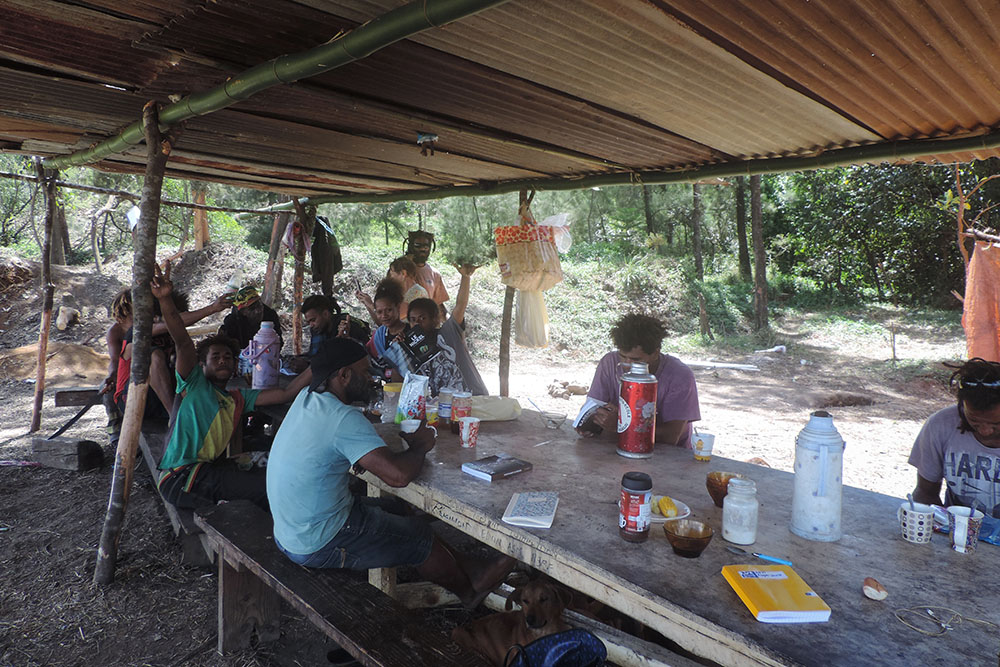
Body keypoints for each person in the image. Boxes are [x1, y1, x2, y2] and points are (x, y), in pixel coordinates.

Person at [266, 337, 514, 606]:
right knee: (419, 538)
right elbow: (398, 476)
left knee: (398, 510)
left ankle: (471, 568)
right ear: (344, 375)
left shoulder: (307, 397)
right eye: (364, 372)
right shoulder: (342, 418)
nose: (371, 378)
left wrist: (356, 454)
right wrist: (420, 446)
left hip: (292, 530)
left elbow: (325, 446)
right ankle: (469, 592)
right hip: (317, 541)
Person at [151, 262, 311, 511]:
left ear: (236, 365)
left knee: (276, 464)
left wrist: (318, 366)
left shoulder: (236, 398)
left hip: (205, 471)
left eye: (228, 357)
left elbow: (286, 393)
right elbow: (181, 339)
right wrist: (165, 299)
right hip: (182, 477)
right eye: (215, 357)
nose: (223, 360)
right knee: (270, 486)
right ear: (201, 365)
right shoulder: (193, 385)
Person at [575, 314, 700, 447]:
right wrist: (589, 423)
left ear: (655, 353)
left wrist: (622, 426)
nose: (627, 364)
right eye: (622, 356)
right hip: (618, 447)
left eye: (636, 360)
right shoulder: (610, 362)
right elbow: (593, 407)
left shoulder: (679, 375)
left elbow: (671, 437)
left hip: (667, 454)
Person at [909, 358, 1000, 517]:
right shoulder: (941, 425)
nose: (985, 431)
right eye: (974, 421)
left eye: (996, 424)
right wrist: (942, 524)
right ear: (962, 405)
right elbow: (925, 492)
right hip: (957, 528)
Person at [405, 265, 488, 396]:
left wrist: (465, 277)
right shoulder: (412, 347)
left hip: (473, 398)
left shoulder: (448, 332)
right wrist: (400, 347)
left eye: (422, 318)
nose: (417, 323)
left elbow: (460, 305)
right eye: (413, 320)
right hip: (441, 404)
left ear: (434, 319)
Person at [357, 278, 409, 378]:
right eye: (379, 312)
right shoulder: (380, 335)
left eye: (389, 310)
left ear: (398, 307)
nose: (384, 315)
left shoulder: (411, 331)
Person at [302, 294, 370, 354]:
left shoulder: (347, 326)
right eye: (308, 322)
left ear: (325, 314)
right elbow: (317, 355)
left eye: (313, 320)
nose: (311, 325)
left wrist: (343, 339)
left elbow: (365, 354)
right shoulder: (318, 329)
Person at [220, 285, 283, 351]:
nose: (258, 310)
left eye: (259, 305)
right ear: (243, 312)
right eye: (252, 308)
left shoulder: (270, 315)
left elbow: (278, 342)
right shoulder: (232, 322)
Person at [406, 230, 448, 305]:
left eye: (425, 246)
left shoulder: (434, 274)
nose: (422, 249)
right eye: (418, 246)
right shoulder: (398, 270)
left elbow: (438, 304)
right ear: (411, 247)